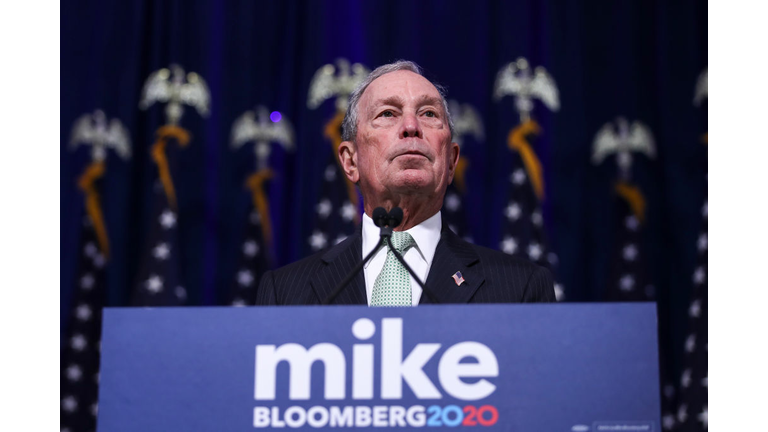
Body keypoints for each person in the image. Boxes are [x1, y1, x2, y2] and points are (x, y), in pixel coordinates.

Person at [256, 60, 555, 306]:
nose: (411, 127)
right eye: (388, 113)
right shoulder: (284, 295)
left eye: (428, 114)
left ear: (451, 161)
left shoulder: (520, 291)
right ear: (350, 161)